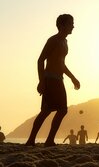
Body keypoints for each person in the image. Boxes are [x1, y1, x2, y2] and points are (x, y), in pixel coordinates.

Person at [25, 14, 80, 147]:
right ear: (61, 25)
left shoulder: (65, 42)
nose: (73, 26)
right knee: (46, 110)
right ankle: (31, 140)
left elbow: (62, 64)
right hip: (50, 79)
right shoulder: (53, 40)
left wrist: (73, 78)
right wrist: (41, 81)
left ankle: (49, 140)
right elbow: (40, 60)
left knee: (62, 110)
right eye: (70, 23)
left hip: (59, 79)